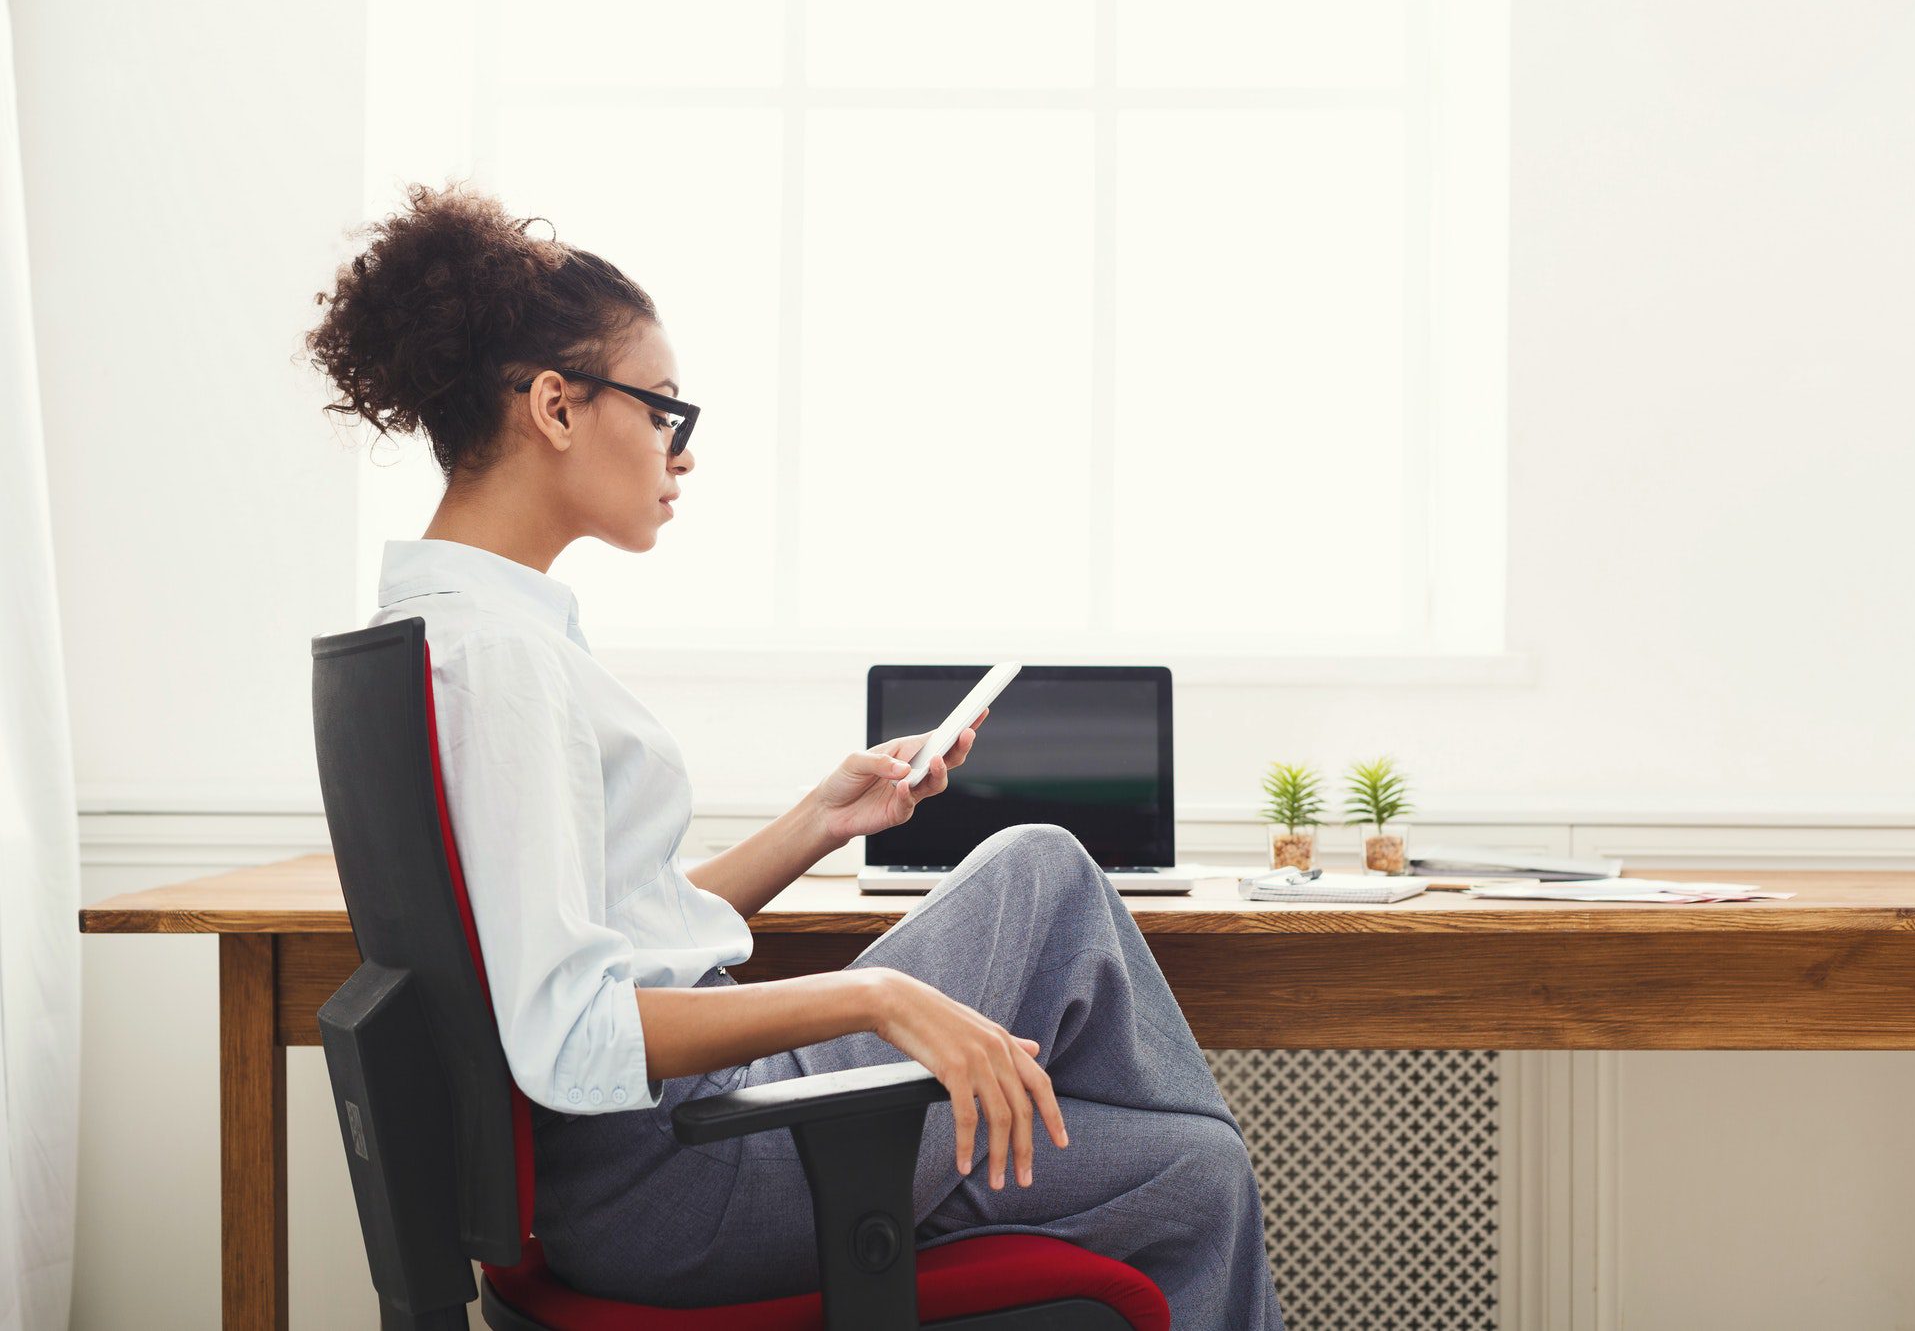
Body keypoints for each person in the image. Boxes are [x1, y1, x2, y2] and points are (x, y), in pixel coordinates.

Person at [303, 180, 1284, 1328]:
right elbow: (573, 1037)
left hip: (664, 1150)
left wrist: (821, 819)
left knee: (1053, 898)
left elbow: (612, 936)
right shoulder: (507, 665)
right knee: (1181, 1140)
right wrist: (873, 993)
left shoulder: (445, 633)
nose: (679, 447)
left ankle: (1070, 1141)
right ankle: (1079, 1146)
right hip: (678, 1180)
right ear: (558, 408)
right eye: (662, 406)